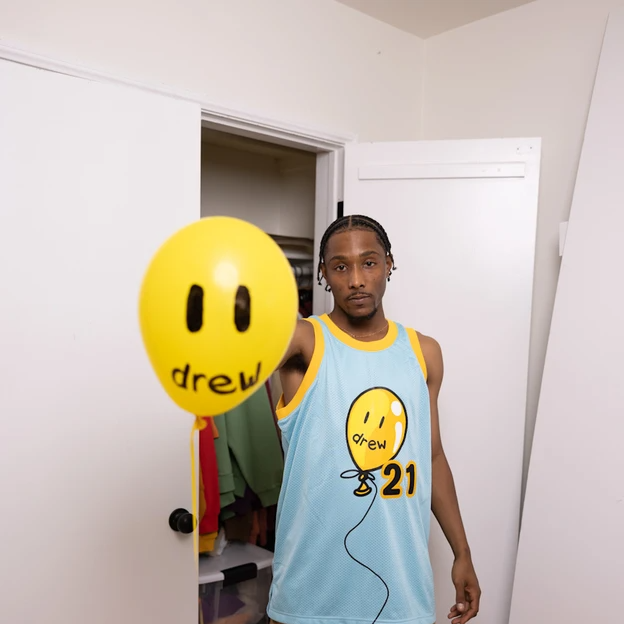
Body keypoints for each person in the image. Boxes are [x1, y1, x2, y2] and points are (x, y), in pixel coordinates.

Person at [266, 215, 480, 624]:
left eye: (369, 262)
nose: (356, 280)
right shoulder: (304, 340)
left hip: (401, 595)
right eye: (340, 266)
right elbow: (239, 358)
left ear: (388, 264)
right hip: (308, 597)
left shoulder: (423, 352)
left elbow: (432, 457)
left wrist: (462, 553)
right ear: (323, 274)